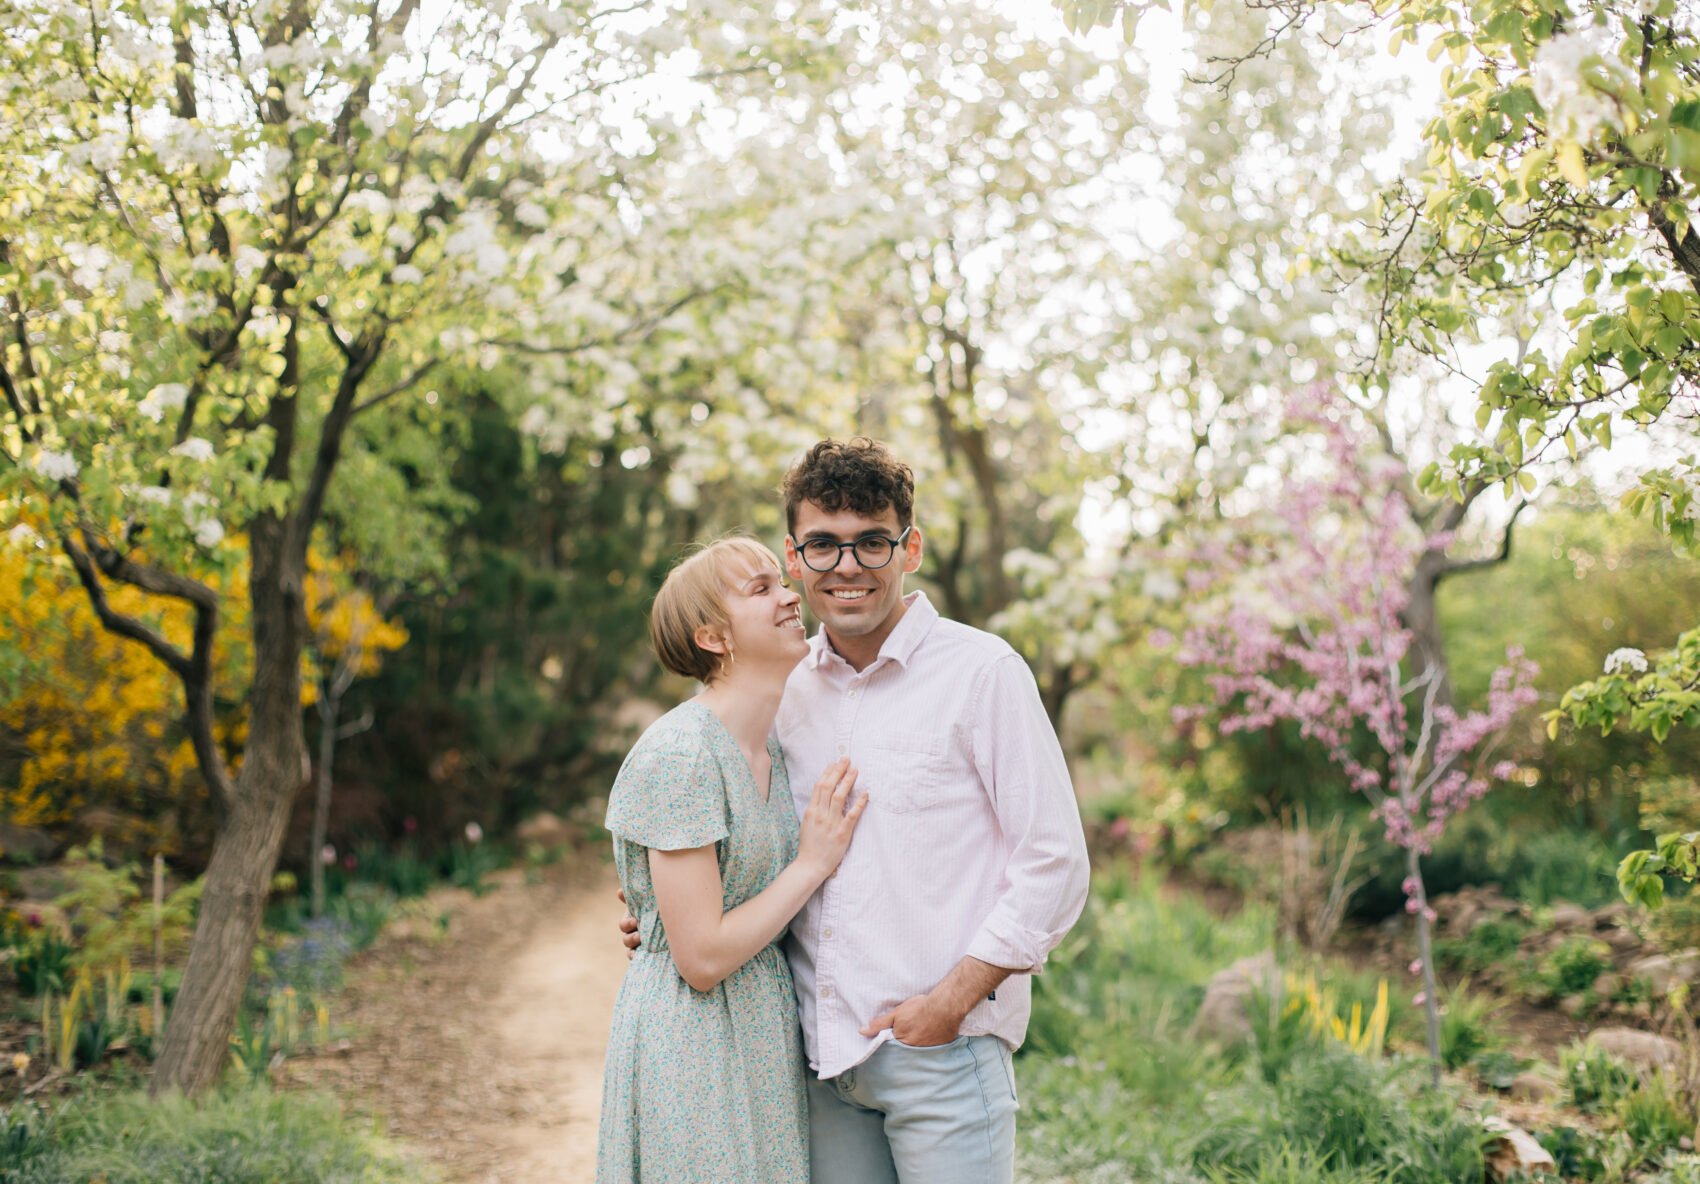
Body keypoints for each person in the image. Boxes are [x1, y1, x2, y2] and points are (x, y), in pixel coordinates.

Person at [623, 438, 1091, 1184]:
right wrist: (670, 910)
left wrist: (949, 1005)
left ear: (910, 548)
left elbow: (1055, 864)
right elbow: (746, 838)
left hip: (941, 1053)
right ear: (795, 553)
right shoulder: (786, 689)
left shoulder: (983, 674)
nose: (847, 567)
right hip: (816, 1065)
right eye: (824, 546)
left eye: (872, 542)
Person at [597, 536, 869, 1184]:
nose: (788, 597)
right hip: (693, 1042)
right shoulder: (683, 754)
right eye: (762, 589)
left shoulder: (772, 746)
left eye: (780, 582)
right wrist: (812, 863)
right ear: (714, 637)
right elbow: (702, 958)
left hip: (758, 1032)